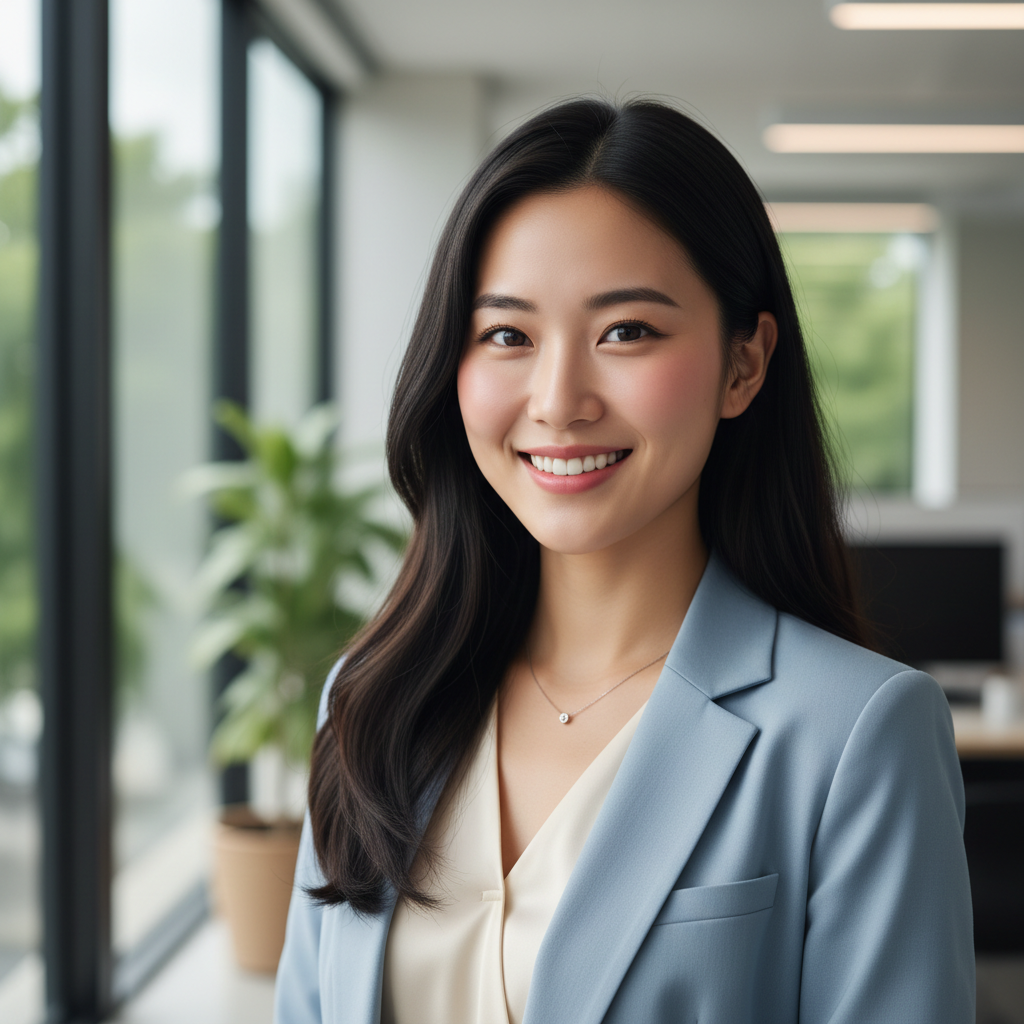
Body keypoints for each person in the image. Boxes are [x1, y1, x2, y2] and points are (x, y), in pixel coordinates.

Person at [274, 98, 974, 1024]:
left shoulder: (855, 735)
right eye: (507, 336)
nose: (559, 401)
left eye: (627, 332)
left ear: (744, 365)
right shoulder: (370, 702)